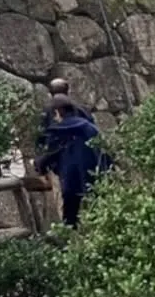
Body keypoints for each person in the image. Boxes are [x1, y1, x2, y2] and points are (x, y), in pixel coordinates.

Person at [33, 95, 111, 227]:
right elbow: (104, 151)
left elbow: (52, 152)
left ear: (58, 112)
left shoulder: (58, 131)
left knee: (71, 212)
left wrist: (39, 165)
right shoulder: (90, 127)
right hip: (95, 176)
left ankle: (70, 232)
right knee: (98, 207)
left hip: (71, 179)